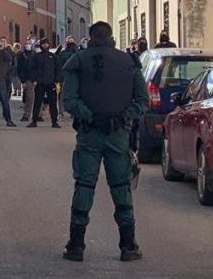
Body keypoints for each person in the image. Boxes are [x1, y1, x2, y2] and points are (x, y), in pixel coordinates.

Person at [61, 21, 149, 262]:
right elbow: (142, 100)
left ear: (90, 37)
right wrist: (121, 117)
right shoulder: (128, 62)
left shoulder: (78, 61)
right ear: (110, 37)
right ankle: (128, 245)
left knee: (84, 185)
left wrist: (91, 116)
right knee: (121, 187)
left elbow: (68, 99)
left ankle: (76, 244)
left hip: (90, 134)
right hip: (118, 134)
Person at [27, 38, 61, 128]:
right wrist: (33, 79)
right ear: (41, 45)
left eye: (47, 44)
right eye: (43, 44)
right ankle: (34, 120)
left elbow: (58, 69)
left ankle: (54, 121)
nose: (45, 45)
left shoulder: (53, 56)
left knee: (53, 103)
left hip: (51, 83)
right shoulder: (36, 57)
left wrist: (57, 79)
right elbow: (32, 69)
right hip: (40, 83)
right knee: (37, 102)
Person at [17, 38, 37, 122]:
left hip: (36, 79)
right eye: (27, 43)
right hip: (27, 79)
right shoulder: (21, 55)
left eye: (29, 43)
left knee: (37, 98)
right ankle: (27, 114)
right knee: (29, 98)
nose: (28, 45)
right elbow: (19, 69)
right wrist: (22, 81)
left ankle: (38, 114)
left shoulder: (35, 54)